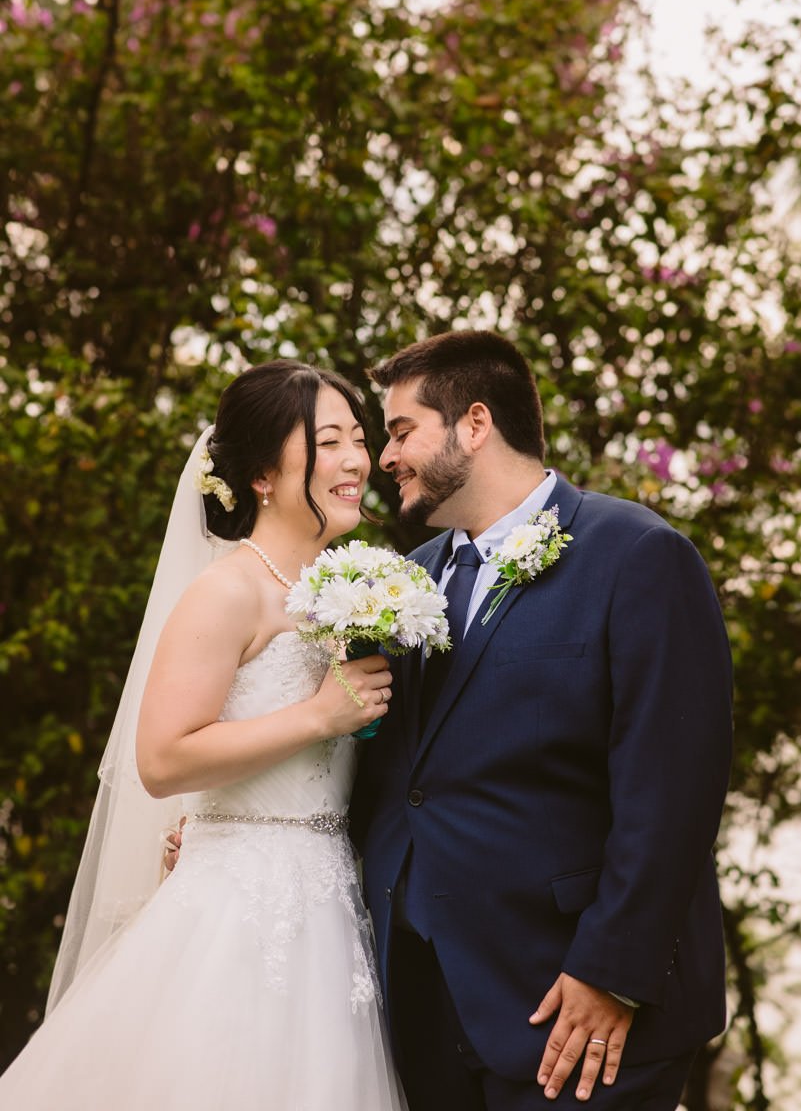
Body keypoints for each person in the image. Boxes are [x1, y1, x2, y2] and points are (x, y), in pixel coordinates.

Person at [0, 360, 408, 1111]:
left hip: (331, 909)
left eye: (359, 438)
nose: (357, 460)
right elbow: (161, 760)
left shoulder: (354, 593)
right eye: (329, 442)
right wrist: (318, 716)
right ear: (261, 475)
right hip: (235, 915)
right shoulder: (226, 591)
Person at [350, 330, 733, 1111]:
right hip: (424, 1009)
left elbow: (673, 788)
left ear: (475, 424)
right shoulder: (405, 584)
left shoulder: (635, 554)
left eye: (400, 431)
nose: (384, 457)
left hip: (578, 1011)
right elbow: (390, 776)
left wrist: (612, 971)